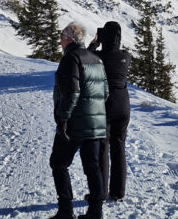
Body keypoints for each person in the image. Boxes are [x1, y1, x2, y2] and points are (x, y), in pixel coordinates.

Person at [49, 22, 109, 219]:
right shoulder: (96, 59)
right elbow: (105, 93)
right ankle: (95, 212)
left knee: (58, 163)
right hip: (96, 124)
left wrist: (63, 118)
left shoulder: (70, 59)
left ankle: (66, 211)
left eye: (61, 36)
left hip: (75, 123)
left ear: (68, 39)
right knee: (92, 166)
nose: (59, 40)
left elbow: (71, 93)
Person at [88, 21, 131, 203]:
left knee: (103, 148)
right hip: (123, 104)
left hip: (104, 103)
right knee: (119, 146)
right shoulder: (126, 56)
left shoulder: (97, 56)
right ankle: (118, 192)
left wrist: (95, 42)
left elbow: (83, 56)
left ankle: (101, 193)